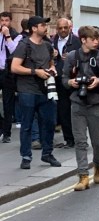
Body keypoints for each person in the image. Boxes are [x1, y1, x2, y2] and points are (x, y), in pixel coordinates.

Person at [62, 26, 99, 190]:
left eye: (97, 39)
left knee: (97, 143)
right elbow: (64, 79)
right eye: (93, 39)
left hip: (96, 104)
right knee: (80, 142)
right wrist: (70, 82)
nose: (96, 42)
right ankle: (83, 176)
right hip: (77, 104)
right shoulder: (72, 56)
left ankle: (98, 167)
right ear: (83, 40)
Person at [10, 16, 60, 169]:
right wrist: (35, 72)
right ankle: (26, 157)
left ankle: (47, 154)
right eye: (42, 25)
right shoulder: (24, 45)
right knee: (27, 125)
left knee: (49, 123)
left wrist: (52, 69)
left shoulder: (47, 45)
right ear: (33, 28)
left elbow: (50, 63)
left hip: (45, 90)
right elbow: (15, 67)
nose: (45, 27)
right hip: (27, 90)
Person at [52, 18, 82, 148]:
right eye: (60, 28)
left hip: (74, 80)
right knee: (63, 110)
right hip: (60, 80)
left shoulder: (76, 41)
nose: (63, 30)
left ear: (69, 28)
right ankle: (69, 139)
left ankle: (79, 138)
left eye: (65, 27)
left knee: (76, 110)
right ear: (57, 29)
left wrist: (73, 59)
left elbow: (83, 58)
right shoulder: (52, 41)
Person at [0, 11, 21, 142]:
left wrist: (7, 36)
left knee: (8, 103)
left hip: (8, 73)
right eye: (2, 20)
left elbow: (14, 51)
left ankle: (6, 133)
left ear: (11, 21)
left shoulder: (16, 36)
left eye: (6, 20)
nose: (4, 23)